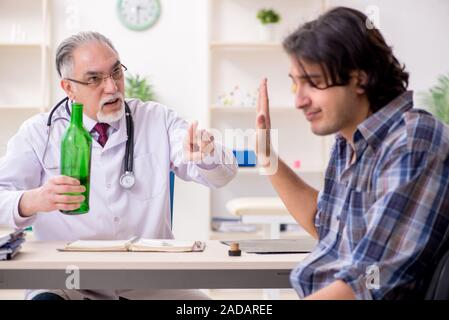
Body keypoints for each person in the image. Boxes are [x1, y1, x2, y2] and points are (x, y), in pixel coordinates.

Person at [0, 31, 237, 300]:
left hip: (149, 283)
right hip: (68, 282)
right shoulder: (38, 133)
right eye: (94, 79)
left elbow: (223, 174)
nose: (112, 87)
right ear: (68, 88)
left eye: (116, 72)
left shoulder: (156, 119)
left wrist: (205, 154)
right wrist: (32, 200)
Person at [256, 7, 449, 299]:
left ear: (360, 79)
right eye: (295, 83)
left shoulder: (412, 141)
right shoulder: (349, 142)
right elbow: (325, 226)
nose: (298, 100)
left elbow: (367, 281)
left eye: (314, 82)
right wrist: (265, 155)